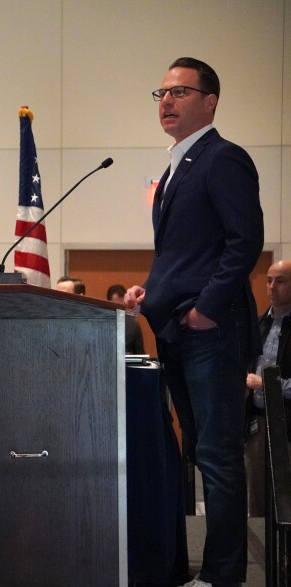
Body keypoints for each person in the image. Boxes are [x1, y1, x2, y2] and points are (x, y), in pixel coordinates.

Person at [124, 57, 264, 587]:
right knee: (197, 449)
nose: (167, 101)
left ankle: (224, 576)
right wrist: (149, 287)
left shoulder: (224, 158)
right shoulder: (175, 169)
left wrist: (206, 306)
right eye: (160, 92)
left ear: (210, 101)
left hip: (212, 329)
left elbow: (243, 241)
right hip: (175, 328)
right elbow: (184, 253)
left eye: (180, 92)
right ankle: (196, 567)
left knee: (217, 454)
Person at [244, 260, 291, 516]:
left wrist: (267, 385)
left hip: (287, 421)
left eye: (281, 281)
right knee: (258, 499)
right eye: (269, 280)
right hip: (259, 422)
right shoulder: (260, 324)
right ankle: (262, 556)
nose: (272, 287)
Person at [106, 284, 146, 355]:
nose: (118, 311)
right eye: (115, 306)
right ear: (108, 303)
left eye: (121, 307)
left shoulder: (133, 324)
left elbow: (140, 354)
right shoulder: (100, 323)